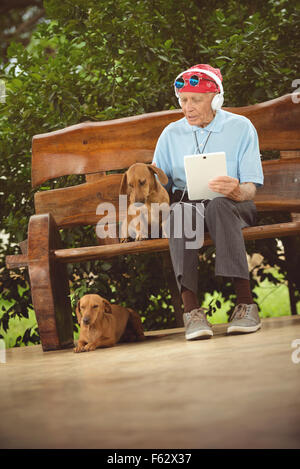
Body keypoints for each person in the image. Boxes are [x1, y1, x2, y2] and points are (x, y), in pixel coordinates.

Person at [152, 64, 264, 340]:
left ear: (215, 99)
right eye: (183, 101)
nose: (187, 107)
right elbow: (158, 186)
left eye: (195, 100)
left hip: (234, 204)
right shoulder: (170, 134)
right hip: (190, 207)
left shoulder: (241, 128)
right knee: (179, 214)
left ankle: (245, 304)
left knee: (220, 205)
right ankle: (192, 312)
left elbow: (251, 187)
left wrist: (238, 190)